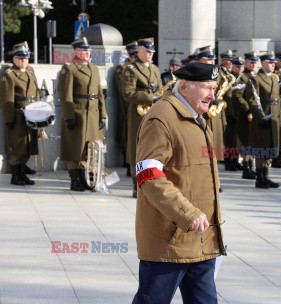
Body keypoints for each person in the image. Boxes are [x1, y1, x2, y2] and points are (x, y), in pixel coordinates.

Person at [132, 62, 226, 303]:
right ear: (184, 87)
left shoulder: (197, 118)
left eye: (214, 89)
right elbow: (148, 176)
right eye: (207, 88)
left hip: (201, 238)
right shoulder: (161, 118)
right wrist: (187, 213)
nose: (213, 96)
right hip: (169, 241)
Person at [58, 37, 106, 191]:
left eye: (88, 50)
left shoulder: (94, 68)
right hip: (78, 113)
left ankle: (83, 177)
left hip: (92, 113)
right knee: (74, 149)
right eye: (83, 50)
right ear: (76, 52)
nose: (86, 53)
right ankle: (74, 179)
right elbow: (66, 95)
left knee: (88, 149)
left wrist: (103, 114)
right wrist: (69, 117)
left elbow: (100, 94)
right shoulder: (70, 69)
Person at [122, 37, 162, 198]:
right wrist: (150, 97)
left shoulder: (155, 69)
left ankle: (150, 181)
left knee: (153, 148)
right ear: (139, 51)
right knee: (137, 148)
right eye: (147, 51)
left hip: (154, 114)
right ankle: (135, 184)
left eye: (152, 52)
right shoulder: (131, 69)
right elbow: (128, 93)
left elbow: (159, 88)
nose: (150, 54)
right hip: (138, 115)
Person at [0, 42, 39, 186]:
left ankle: (23, 174)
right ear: (14, 59)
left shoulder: (30, 71)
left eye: (26, 58)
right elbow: (6, 99)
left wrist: (41, 112)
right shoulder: (9, 75)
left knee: (28, 147)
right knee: (17, 148)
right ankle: (16, 176)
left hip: (32, 115)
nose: (23, 61)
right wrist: (9, 118)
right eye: (20, 58)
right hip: (17, 116)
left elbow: (36, 92)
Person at [244, 51, 281, 188]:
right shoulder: (256, 79)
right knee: (261, 148)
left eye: (274, 63)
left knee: (271, 147)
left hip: (274, 117)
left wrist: (280, 119)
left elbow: (278, 101)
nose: (273, 65)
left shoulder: (274, 78)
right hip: (262, 117)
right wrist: (261, 118)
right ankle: (259, 178)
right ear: (263, 63)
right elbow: (252, 100)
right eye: (270, 62)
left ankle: (266, 175)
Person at [232, 52, 258, 180]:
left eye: (255, 62)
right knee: (247, 142)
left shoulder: (256, 76)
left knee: (253, 142)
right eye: (251, 62)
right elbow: (237, 95)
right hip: (246, 115)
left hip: (256, 115)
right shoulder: (242, 78)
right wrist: (248, 108)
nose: (253, 64)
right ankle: (246, 168)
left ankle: (251, 166)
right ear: (246, 63)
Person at [198, 46, 226, 163]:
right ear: (201, 60)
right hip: (203, 114)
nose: (213, 62)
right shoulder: (197, 74)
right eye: (209, 59)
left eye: (213, 59)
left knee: (214, 151)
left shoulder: (216, 74)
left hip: (214, 114)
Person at [114, 41, 137, 177]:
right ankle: (128, 163)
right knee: (127, 135)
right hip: (126, 106)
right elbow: (122, 89)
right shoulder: (122, 69)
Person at [223, 56, 244, 172]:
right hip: (231, 113)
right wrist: (230, 114)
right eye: (237, 66)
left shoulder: (243, 78)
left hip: (240, 113)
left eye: (241, 66)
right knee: (229, 139)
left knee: (237, 140)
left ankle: (235, 160)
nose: (240, 69)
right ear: (233, 66)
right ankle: (228, 162)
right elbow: (228, 97)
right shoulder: (230, 78)